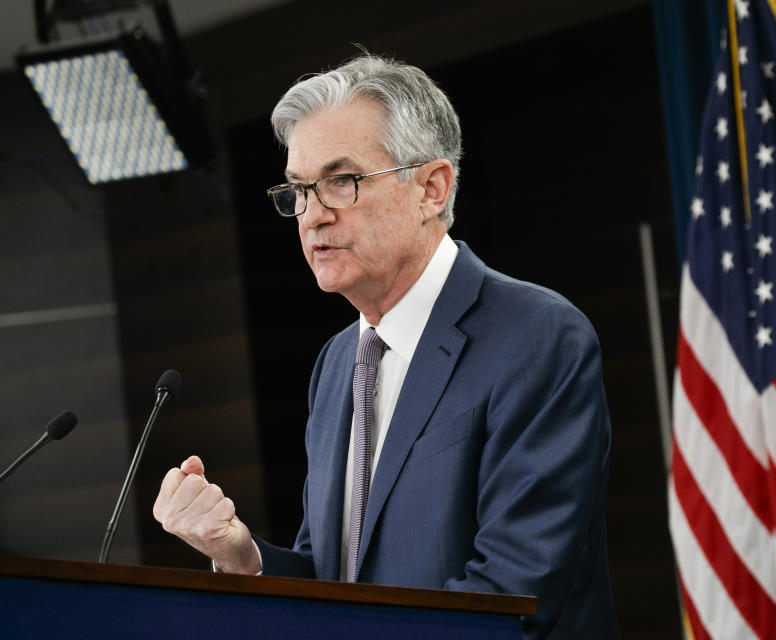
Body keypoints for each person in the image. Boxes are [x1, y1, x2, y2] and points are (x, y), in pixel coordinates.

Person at [153, 54, 618, 639]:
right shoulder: (336, 363)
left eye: (340, 182)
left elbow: (511, 598)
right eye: (298, 190)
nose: (312, 217)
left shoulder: (537, 336)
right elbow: (333, 582)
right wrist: (243, 555)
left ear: (431, 188)